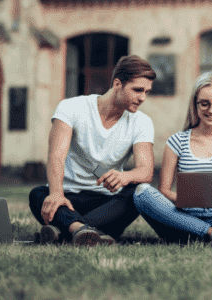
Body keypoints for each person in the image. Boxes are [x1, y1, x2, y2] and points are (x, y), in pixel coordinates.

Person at [28, 55, 156, 246]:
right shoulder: (71, 107)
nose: (142, 98)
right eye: (137, 90)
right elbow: (56, 156)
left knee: (138, 193)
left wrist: (125, 177)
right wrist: (56, 194)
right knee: (39, 194)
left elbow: (146, 171)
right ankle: (89, 231)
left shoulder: (142, 122)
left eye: (146, 92)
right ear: (117, 84)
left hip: (108, 203)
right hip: (68, 200)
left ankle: (69, 231)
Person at [133, 72, 212, 248]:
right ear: (195, 104)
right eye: (204, 104)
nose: (211, 110)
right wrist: (188, 199)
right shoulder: (176, 141)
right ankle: (211, 233)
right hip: (184, 219)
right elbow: (164, 190)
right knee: (142, 192)